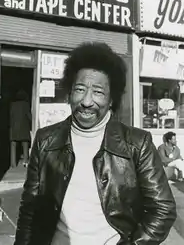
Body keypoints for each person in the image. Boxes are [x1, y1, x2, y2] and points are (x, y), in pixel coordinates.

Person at [14, 42, 176, 245]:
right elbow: (30, 208)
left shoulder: (137, 143)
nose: (87, 101)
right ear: (70, 92)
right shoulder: (45, 140)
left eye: (98, 92)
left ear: (111, 100)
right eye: (80, 89)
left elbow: (163, 209)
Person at [10, 89, 32, 168]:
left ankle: (13, 164)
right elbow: (29, 116)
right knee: (25, 144)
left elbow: (10, 116)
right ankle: (25, 162)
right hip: (24, 127)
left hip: (14, 128)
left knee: (13, 145)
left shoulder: (12, 105)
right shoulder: (25, 104)